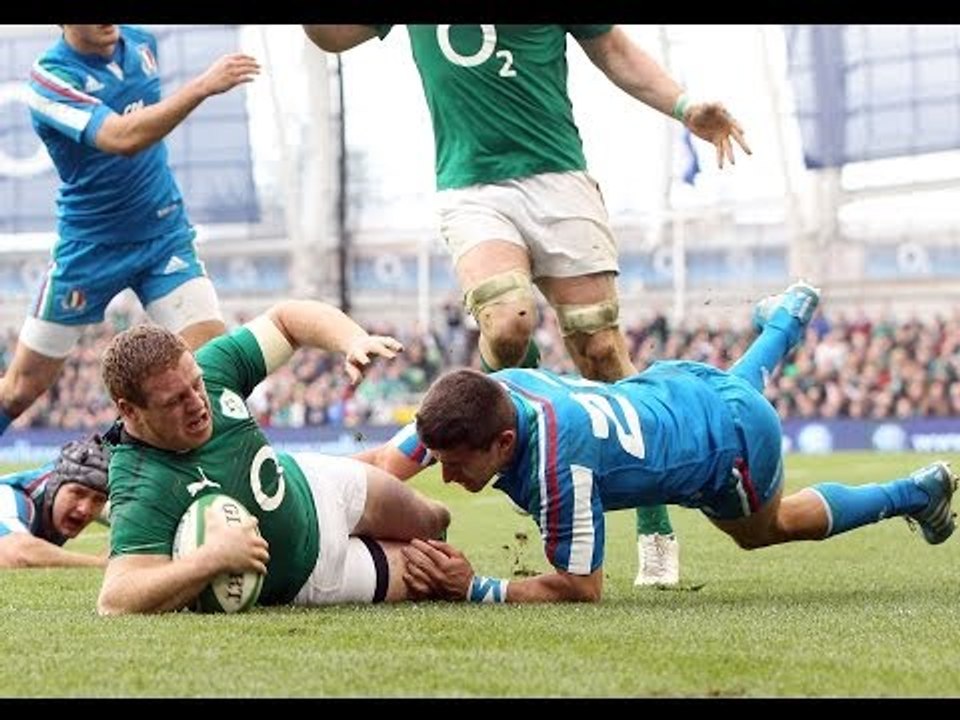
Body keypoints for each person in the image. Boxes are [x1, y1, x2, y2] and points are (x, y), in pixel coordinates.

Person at [302, 24, 752, 586]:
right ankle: (529, 439)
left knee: (600, 347)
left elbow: (610, 45)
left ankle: (655, 526)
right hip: (473, 186)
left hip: (558, 177)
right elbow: (331, 37)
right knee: (509, 321)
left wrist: (684, 106)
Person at [369, 281, 957, 603]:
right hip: (678, 385)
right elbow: (384, 463)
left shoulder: (558, 466)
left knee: (767, 530)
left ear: (502, 443)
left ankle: (914, 492)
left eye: (453, 466)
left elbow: (580, 589)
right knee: (733, 392)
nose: (444, 478)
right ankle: (784, 321)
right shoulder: (492, 391)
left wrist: (476, 588)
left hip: (732, 447)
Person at [96, 299, 451, 615]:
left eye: (197, 384)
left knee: (435, 521)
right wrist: (211, 560)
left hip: (315, 483)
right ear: (129, 410)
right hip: (313, 576)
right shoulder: (137, 479)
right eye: (175, 400)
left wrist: (352, 339)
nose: (198, 403)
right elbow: (115, 599)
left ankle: (426, 432)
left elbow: (286, 320)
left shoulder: (214, 367)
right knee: (435, 574)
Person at [0, 25, 260, 436]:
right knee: (19, 391)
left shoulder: (141, 44)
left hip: (163, 237)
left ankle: (208, 487)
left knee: (215, 373)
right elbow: (123, 138)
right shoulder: (50, 80)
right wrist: (201, 87)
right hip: (90, 248)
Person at [0, 434, 109, 568]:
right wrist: (100, 564)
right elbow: (14, 552)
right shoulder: (10, 496)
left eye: (98, 500)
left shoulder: (69, 489)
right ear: (54, 487)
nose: (84, 509)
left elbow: (134, 516)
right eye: (77, 493)